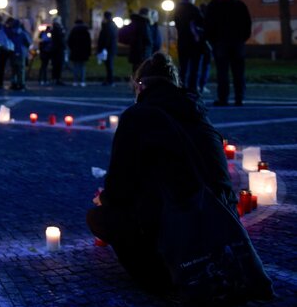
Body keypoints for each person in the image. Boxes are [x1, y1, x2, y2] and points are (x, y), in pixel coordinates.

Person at [86, 52, 238, 293]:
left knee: (99, 217)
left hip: (176, 238)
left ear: (140, 85)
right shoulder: (198, 114)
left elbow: (119, 188)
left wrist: (104, 198)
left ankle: (160, 277)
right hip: (224, 238)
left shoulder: (137, 116)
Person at [205, 0, 252, 106]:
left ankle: (223, 98)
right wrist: (242, 39)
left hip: (220, 43)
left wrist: (212, 40)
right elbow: (247, 24)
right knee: (238, 72)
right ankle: (239, 97)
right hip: (237, 43)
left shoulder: (214, 5)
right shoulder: (239, 5)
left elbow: (208, 25)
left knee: (222, 72)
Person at [173, 0, 206, 93]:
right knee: (195, 68)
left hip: (182, 41)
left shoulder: (177, 9)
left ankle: (181, 87)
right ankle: (193, 88)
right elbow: (202, 23)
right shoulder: (193, 9)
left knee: (183, 66)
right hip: (193, 41)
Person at [5, 18, 31, 90]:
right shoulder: (22, 33)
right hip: (21, 52)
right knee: (21, 69)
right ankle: (21, 83)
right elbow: (28, 42)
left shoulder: (10, 33)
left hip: (12, 52)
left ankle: (14, 83)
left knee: (14, 69)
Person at [67, 19, 91, 87]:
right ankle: (82, 81)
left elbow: (69, 42)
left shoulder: (73, 31)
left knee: (75, 66)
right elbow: (88, 43)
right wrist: (88, 52)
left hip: (75, 51)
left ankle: (75, 81)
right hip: (83, 52)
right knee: (82, 67)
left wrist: (72, 48)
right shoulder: (86, 31)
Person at [97, 11, 119, 86]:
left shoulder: (108, 26)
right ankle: (109, 80)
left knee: (109, 65)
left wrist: (104, 47)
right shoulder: (112, 25)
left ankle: (110, 80)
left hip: (108, 48)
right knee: (109, 64)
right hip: (111, 48)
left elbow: (106, 38)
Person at [128, 9, 153, 73]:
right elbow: (148, 40)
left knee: (136, 71)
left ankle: (134, 82)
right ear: (146, 14)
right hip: (142, 54)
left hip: (136, 52)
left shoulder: (136, 22)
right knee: (140, 72)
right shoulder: (144, 23)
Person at [50, 17, 66, 86]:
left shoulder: (54, 28)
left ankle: (55, 78)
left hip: (55, 49)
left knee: (55, 65)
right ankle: (58, 79)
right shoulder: (58, 28)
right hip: (59, 49)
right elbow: (61, 38)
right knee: (59, 64)